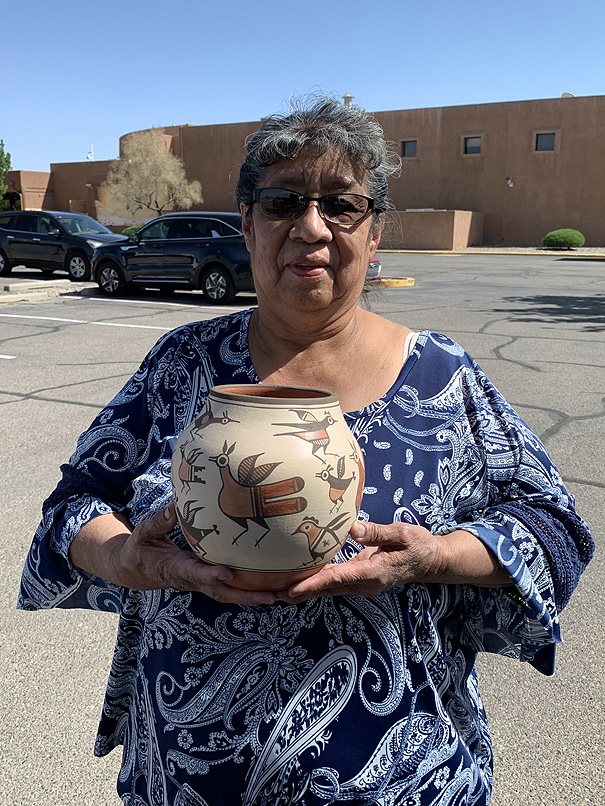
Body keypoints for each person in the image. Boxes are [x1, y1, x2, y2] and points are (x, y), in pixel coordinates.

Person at [19, 97, 594, 806]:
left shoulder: (442, 377)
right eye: (282, 202)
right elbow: (72, 508)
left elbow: (553, 525)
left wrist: (433, 557)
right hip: (190, 778)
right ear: (247, 224)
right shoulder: (182, 364)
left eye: (341, 205)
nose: (310, 228)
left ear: (375, 230)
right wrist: (124, 558)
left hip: (400, 780)